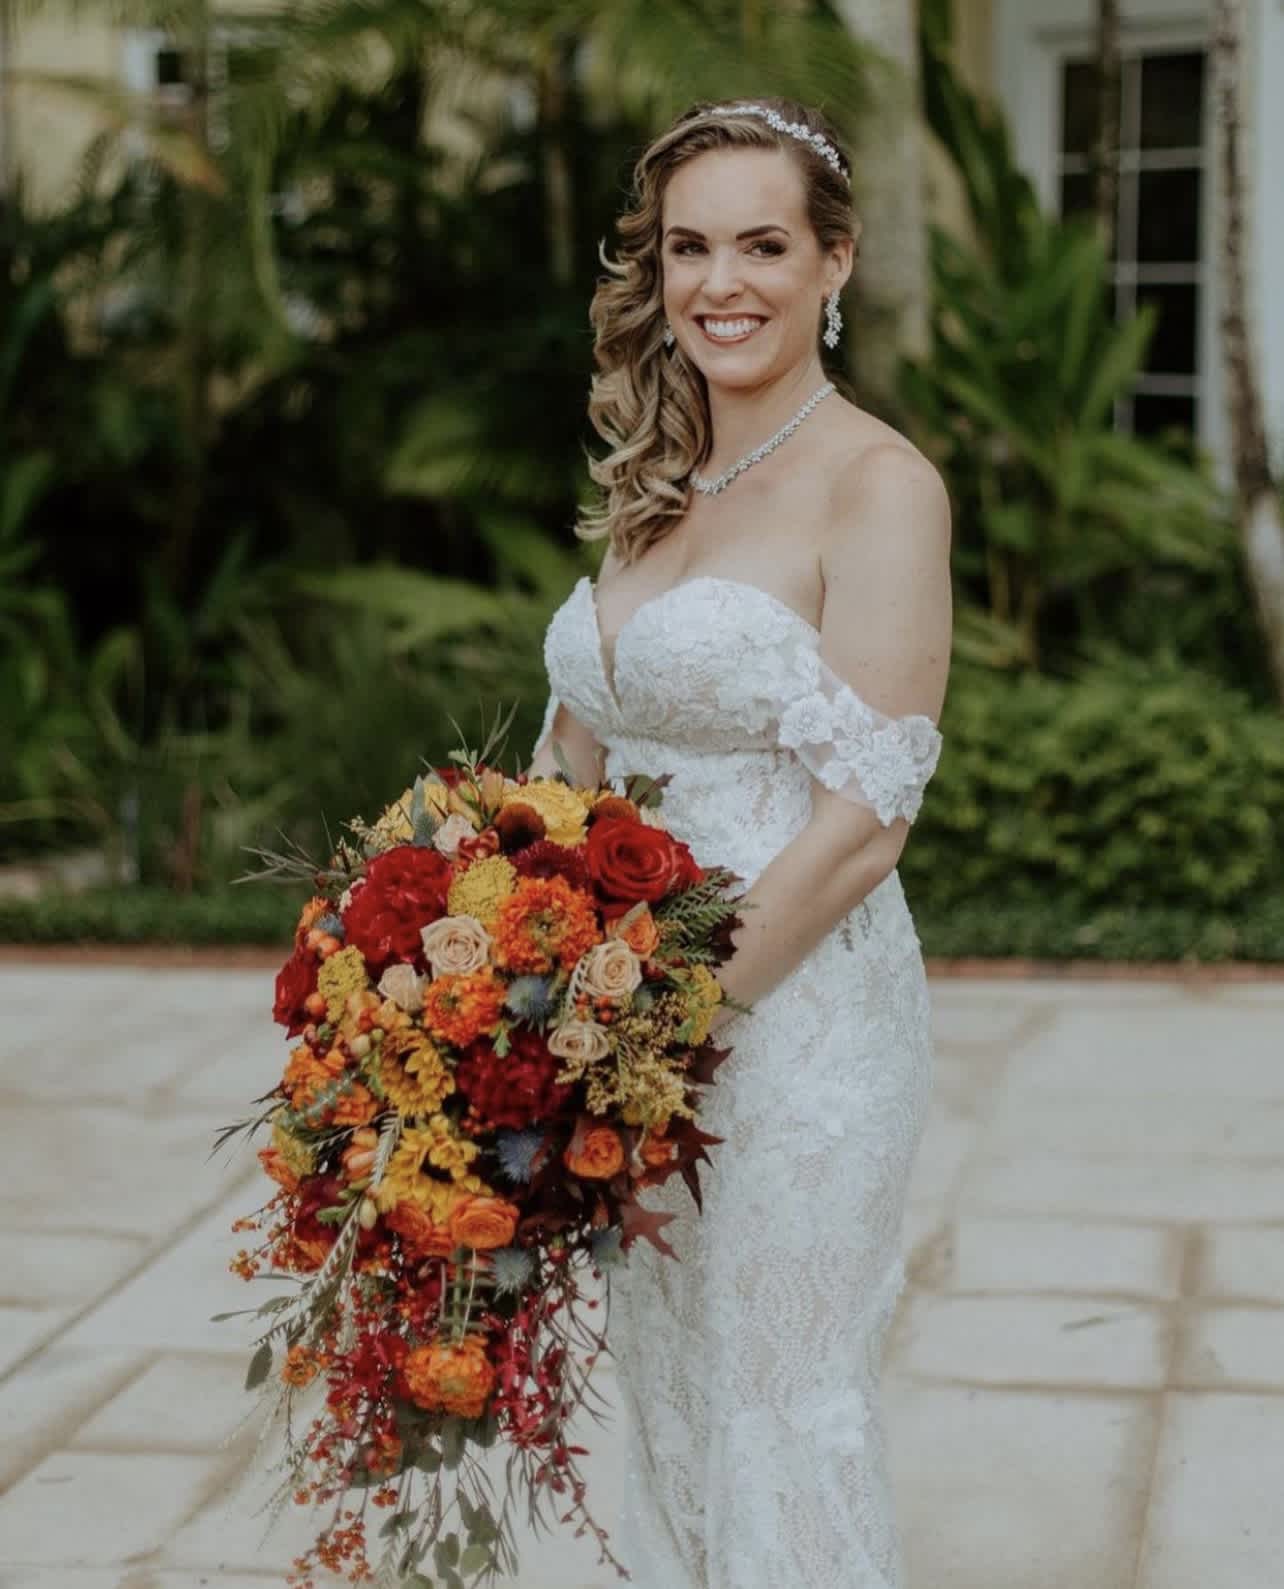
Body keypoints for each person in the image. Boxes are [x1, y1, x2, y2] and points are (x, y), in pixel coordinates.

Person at [526, 96, 952, 1589]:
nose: (722, 283)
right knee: (674, 1397)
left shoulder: (880, 485)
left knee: (779, 1405)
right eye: (689, 248)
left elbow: (867, 821)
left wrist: (663, 1026)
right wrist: (490, 957)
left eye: (764, 245)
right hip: (621, 1018)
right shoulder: (657, 484)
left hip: (797, 1021)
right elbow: (572, 761)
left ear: (836, 260)